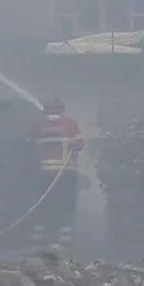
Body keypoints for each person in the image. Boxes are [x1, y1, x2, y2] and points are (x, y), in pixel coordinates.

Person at [28, 98, 83, 248]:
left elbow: (29, 142)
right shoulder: (71, 124)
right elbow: (79, 145)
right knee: (65, 205)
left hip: (44, 173)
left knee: (43, 204)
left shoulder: (38, 125)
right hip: (66, 173)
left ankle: (39, 236)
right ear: (62, 109)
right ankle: (63, 239)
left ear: (45, 109)